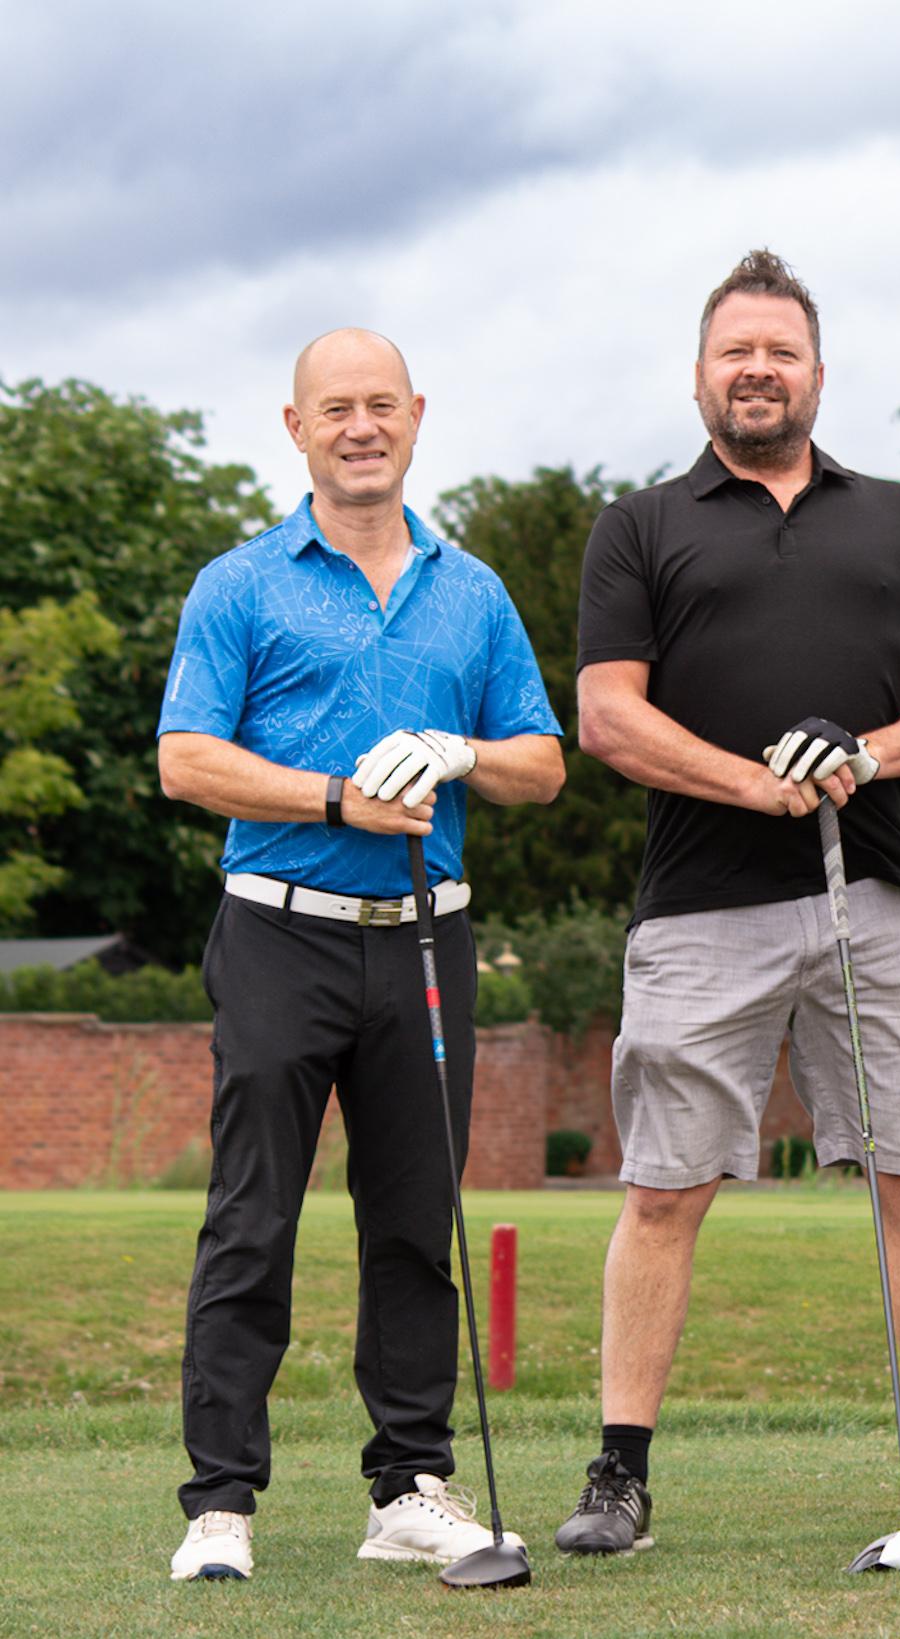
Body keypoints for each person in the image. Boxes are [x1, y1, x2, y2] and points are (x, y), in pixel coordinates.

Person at [557, 249, 900, 1554]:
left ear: (818, 375)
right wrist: (754, 781)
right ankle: (619, 1473)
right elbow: (607, 714)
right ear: (699, 376)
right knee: (664, 1188)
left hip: (875, 897)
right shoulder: (639, 526)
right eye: (736, 351)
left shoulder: (899, 517)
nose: (758, 371)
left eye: (780, 351)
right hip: (697, 908)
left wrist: (864, 756)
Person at [156, 328, 565, 1581]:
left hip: (426, 937)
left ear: (416, 415)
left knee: (412, 1225)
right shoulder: (240, 583)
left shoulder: (472, 590)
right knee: (251, 1220)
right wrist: (337, 796)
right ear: (297, 428)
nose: (360, 427)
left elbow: (543, 763)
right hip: (278, 929)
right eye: (334, 408)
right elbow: (186, 759)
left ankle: (409, 1488)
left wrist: (460, 752)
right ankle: (220, 1503)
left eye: (380, 404)